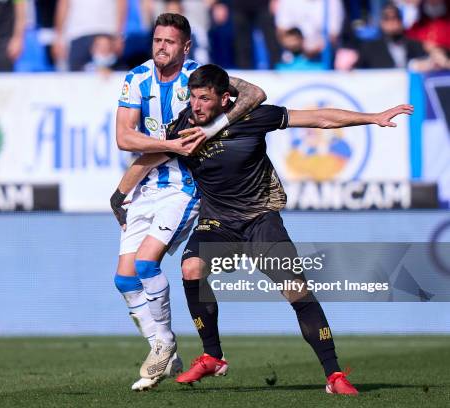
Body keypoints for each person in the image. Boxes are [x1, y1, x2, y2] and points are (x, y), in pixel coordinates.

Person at [113, 63, 414, 394]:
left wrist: (372, 117)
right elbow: (146, 159)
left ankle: (334, 375)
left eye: (204, 99)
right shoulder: (182, 127)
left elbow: (319, 118)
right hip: (218, 223)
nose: (195, 106)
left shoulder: (254, 117)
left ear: (225, 99)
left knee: (296, 290)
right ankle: (212, 355)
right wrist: (119, 195)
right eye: (193, 98)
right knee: (191, 268)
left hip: (261, 219)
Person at [111, 13, 266, 391]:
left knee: (148, 263)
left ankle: (163, 348)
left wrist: (211, 128)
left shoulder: (200, 77)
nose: (161, 47)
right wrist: (169, 144)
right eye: (157, 40)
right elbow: (124, 138)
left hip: (184, 188)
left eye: (169, 42)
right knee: (123, 278)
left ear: (185, 46)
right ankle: (163, 346)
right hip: (147, 185)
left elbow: (254, 94)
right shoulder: (137, 78)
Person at [357, 3, 427, 69]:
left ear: (401, 21)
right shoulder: (369, 49)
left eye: (395, 17)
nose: (391, 22)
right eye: (386, 18)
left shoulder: (416, 46)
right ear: (381, 22)